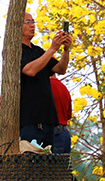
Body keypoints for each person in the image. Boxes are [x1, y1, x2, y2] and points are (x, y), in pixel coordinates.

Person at [20, 11, 71, 149]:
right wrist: (53, 48)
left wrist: (66, 50)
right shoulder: (17, 50)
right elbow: (30, 70)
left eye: (33, 22)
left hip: (48, 119)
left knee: (48, 166)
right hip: (30, 119)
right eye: (28, 22)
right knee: (32, 163)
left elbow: (60, 69)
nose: (32, 26)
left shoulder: (38, 51)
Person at [50, 75, 73, 154]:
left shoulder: (46, 86)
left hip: (53, 132)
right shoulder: (64, 88)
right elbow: (69, 115)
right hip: (64, 132)